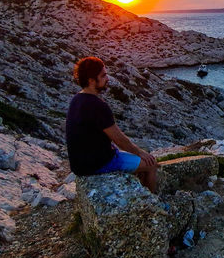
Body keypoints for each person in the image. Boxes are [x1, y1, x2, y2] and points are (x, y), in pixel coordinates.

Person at [65, 57, 158, 192]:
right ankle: (154, 205)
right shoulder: (98, 106)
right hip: (99, 164)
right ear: (91, 80)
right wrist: (141, 153)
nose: (107, 78)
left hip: (79, 165)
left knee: (137, 163)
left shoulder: (77, 99)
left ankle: (141, 195)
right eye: (103, 75)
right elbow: (119, 139)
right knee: (151, 165)